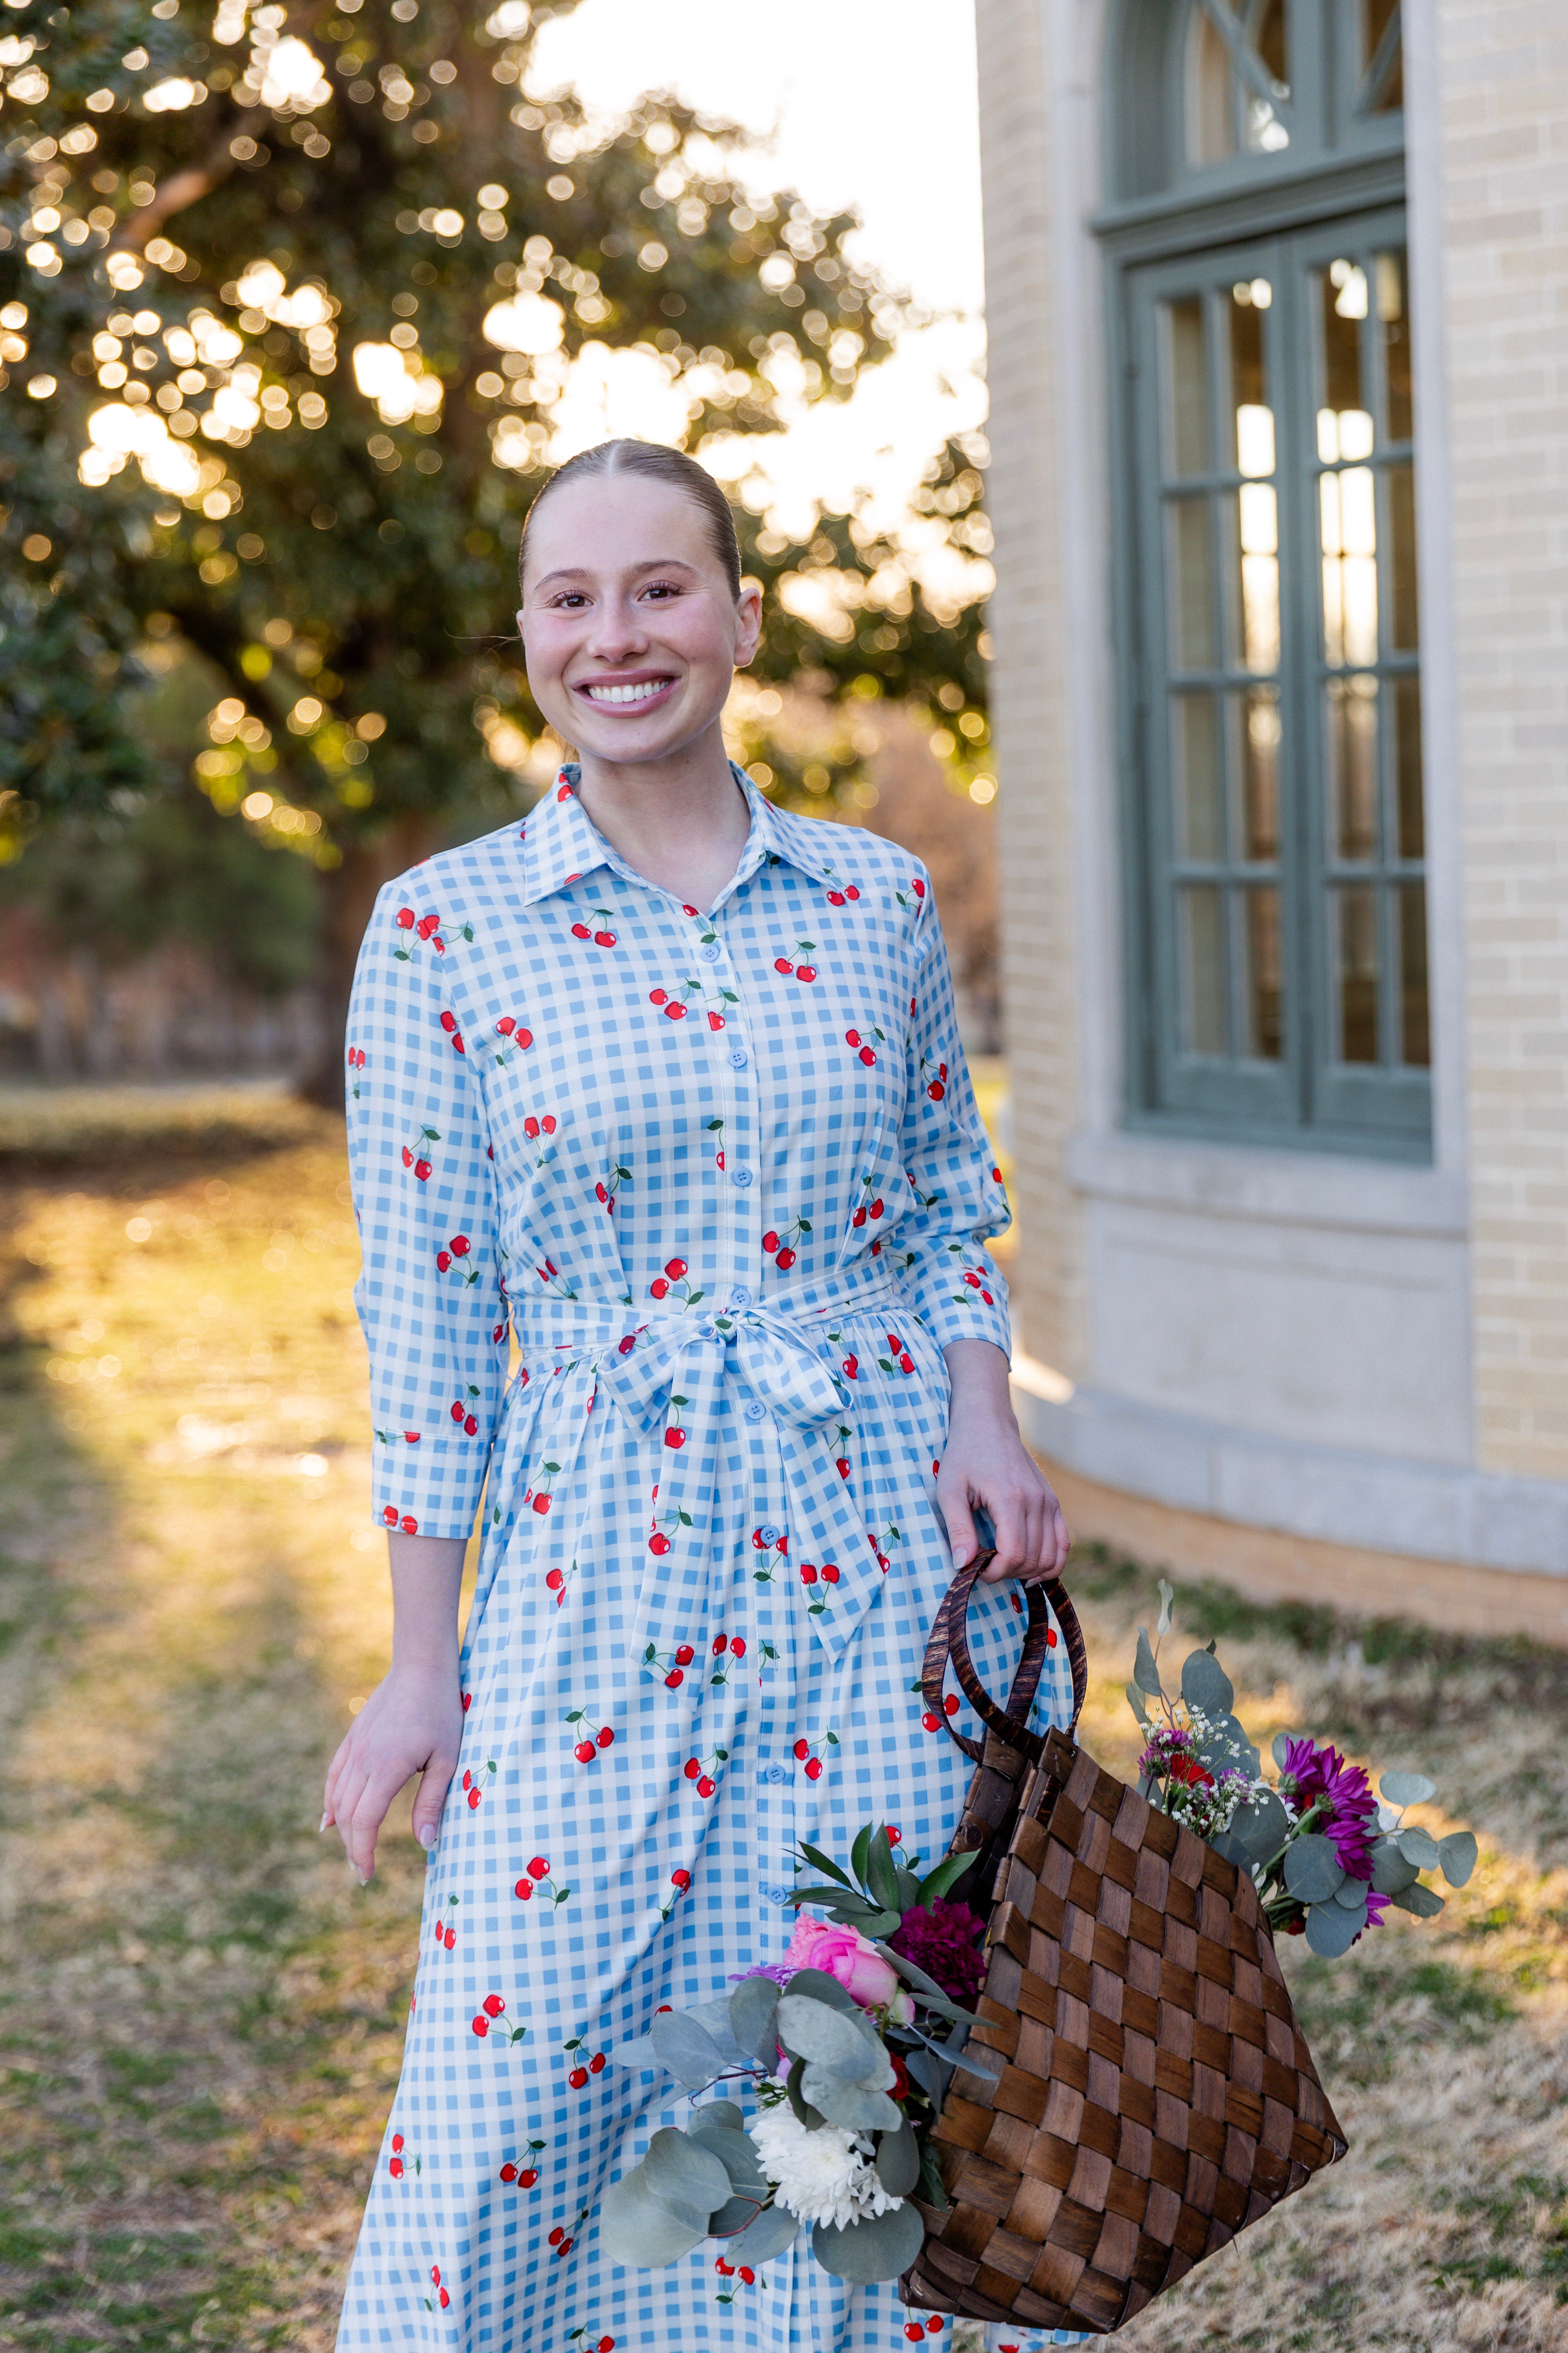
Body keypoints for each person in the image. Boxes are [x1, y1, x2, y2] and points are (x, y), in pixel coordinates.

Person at [325, 437, 1076, 2353]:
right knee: (533, 2061)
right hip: (604, 1575)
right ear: (528, 643)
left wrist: (985, 1411)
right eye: (570, 601)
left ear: (740, 618)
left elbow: (941, 1208)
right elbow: (427, 1319)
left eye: (659, 587)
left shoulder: (877, 899)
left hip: (879, 1559)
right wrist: (424, 1667)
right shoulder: (443, 930)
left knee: (887, 2042)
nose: (616, 635)